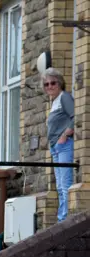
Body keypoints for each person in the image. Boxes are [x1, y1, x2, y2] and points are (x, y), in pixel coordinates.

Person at [44, 68, 75, 222]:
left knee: (65, 184)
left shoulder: (65, 98)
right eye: (46, 84)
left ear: (60, 83)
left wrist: (65, 134)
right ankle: (61, 219)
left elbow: (76, 117)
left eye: (53, 83)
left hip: (64, 146)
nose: (50, 86)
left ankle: (65, 220)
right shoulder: (54, 102)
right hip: (55, 148)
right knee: (59, 187)